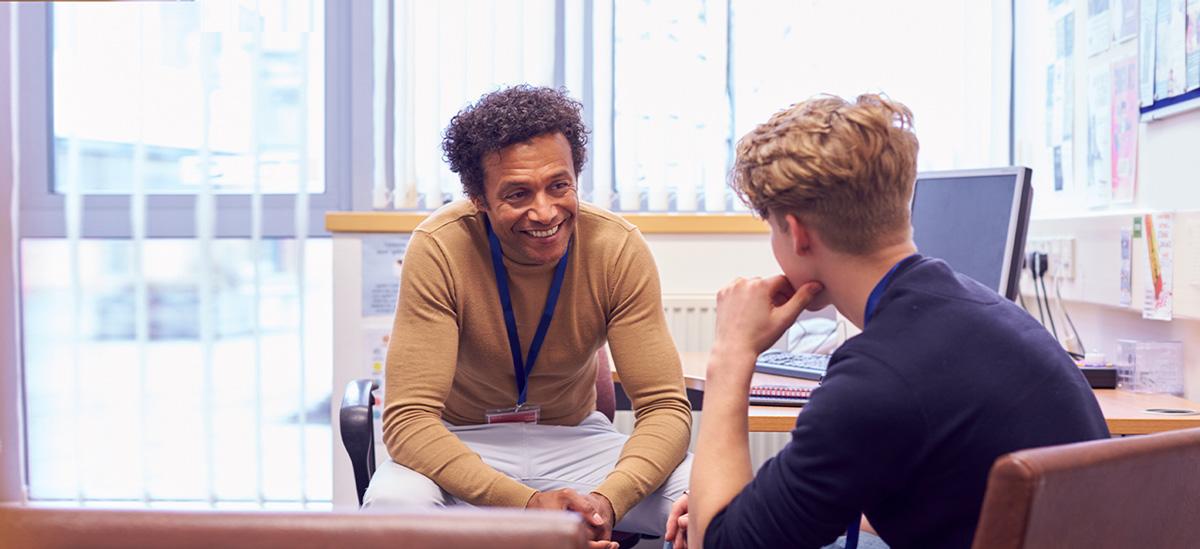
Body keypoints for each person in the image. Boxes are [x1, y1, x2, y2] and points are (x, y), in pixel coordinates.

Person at [665, 94, 1110, 549]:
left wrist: (731, 354)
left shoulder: (875, 380)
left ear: (796, 233)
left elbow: (717, 544)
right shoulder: (991, 313)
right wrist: (746, 504)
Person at [364, 85, 692, 549]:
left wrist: (606, 502)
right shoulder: (439, 247)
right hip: (461, 444)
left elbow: (664, 408)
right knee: (393, 512)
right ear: (479, 198)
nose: (545, 211)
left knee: (710, 500)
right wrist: (528, 506)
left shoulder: (616, 247)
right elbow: (410, 420)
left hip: (577, 445)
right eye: (518, 193)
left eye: (559, 185)